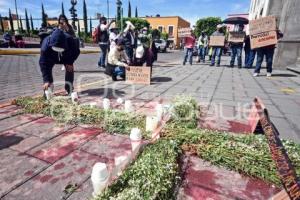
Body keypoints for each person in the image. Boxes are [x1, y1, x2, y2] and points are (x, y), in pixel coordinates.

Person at [39, 29, 80, 95]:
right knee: (47, 76)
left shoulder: (70, 40)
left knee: (70, 69)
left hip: (66, 57)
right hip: (50, 58)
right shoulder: (45, 46)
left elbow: (76, 52)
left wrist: (70, 62)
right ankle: (48, 91)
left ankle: (69, 89)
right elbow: (43, 63)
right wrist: (46, 80)